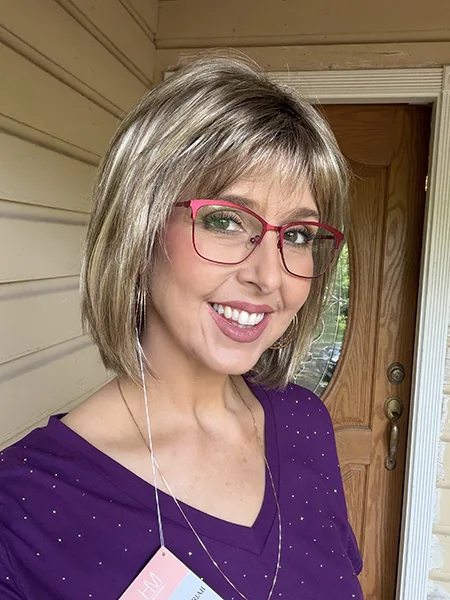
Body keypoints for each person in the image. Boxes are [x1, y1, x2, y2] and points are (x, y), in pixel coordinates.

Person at [0, 53, 363, 599]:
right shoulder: (22, 511)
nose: (269, 276)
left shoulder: (303, 423)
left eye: (296, 235)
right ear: (140, 228)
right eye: (225, 220)